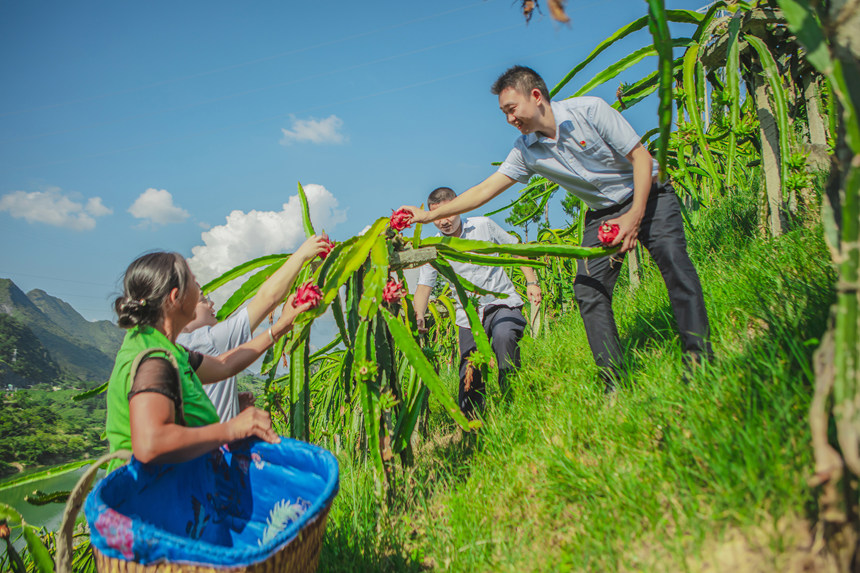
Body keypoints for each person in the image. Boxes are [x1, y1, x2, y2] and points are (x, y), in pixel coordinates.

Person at [401, 66, 711, 390]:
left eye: (511, 109)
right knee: (588, 290)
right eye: (504, 113)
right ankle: (613, 381)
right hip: (603, 214)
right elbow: (484, 191)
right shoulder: (526, 151)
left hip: (651, 194)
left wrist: (634, 216)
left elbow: (642, 159)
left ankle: (699, 359)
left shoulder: (590, 111)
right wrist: (424, 217)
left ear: (535, 96)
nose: (509, 119)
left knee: (675, 265)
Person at [104, 252, 314, 471]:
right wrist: (232, 429)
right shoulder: (155, 361)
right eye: (195, 283)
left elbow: (224, 365)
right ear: (176, 298)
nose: (202, 293)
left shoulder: (163, 347)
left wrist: (281, 326)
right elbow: (151, 444)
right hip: (150, 498)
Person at [412, 187, 542, 416]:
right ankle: (472, 425)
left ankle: (513, 400)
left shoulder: (483, 226)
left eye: (448, 214)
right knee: (470, 370)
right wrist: (419, 314)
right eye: (437, 217)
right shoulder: (433, 248)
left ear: (459, 206)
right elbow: (424, 286)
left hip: (502, 302)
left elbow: (514, 249)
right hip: (468, 315)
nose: (443, 222)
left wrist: (531, 281)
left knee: (504, 337)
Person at [176, 235, 329, 421]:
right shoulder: (205, 342)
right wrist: (302, 255)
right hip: (215, 449)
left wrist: (231, 406)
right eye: (202, 299)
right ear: (179, 303)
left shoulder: (170, 348)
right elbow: (267, 299)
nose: (211, 303)